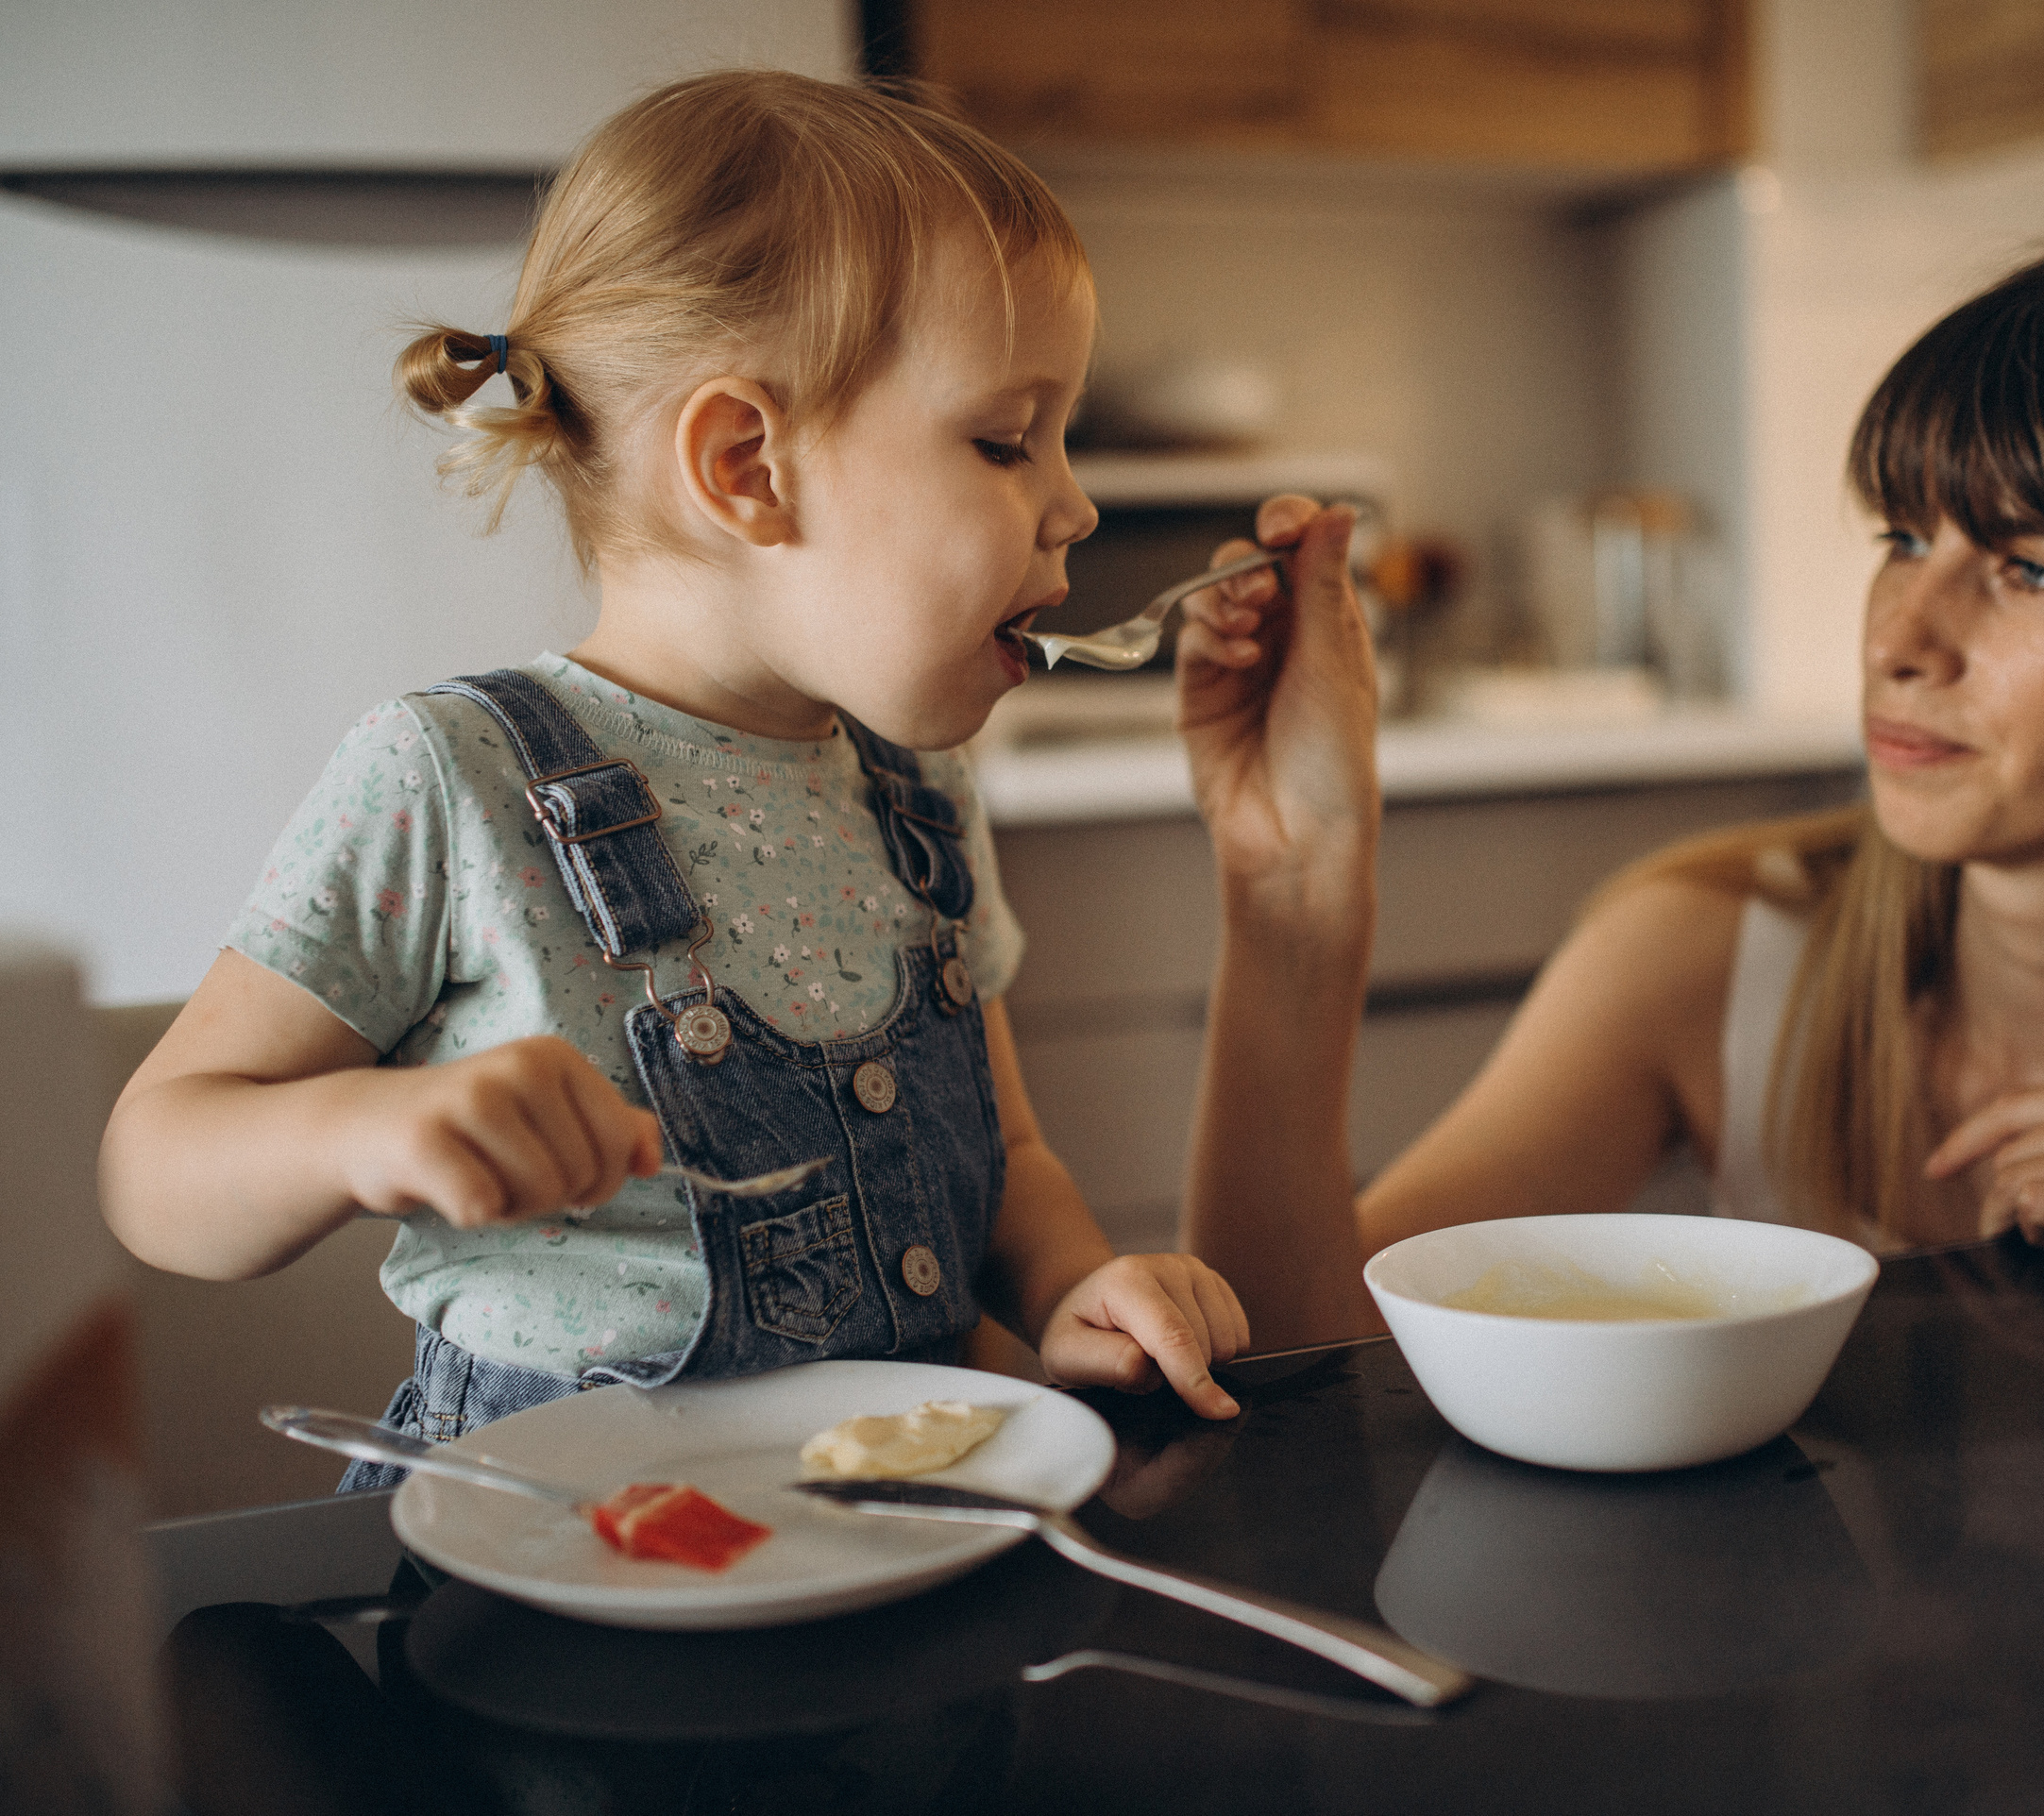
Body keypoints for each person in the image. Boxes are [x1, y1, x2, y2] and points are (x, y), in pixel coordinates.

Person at [95, 72, 1337, 1462]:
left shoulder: (915, 796)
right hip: (548, 1579)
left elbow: (1010, 1165)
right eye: (1005, 439)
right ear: (748, 462)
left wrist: (1073, 1287)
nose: (1077, 502)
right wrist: (361, 1132)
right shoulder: (449, 776)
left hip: (888, 1537)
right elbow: (154, 1165)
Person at [1177, 232, 2044, 1348]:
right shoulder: (1706, 952)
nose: (1901, 642)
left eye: (2032, 570)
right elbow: (1298, 1355)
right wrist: (1289, 889)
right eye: (1906, 540)